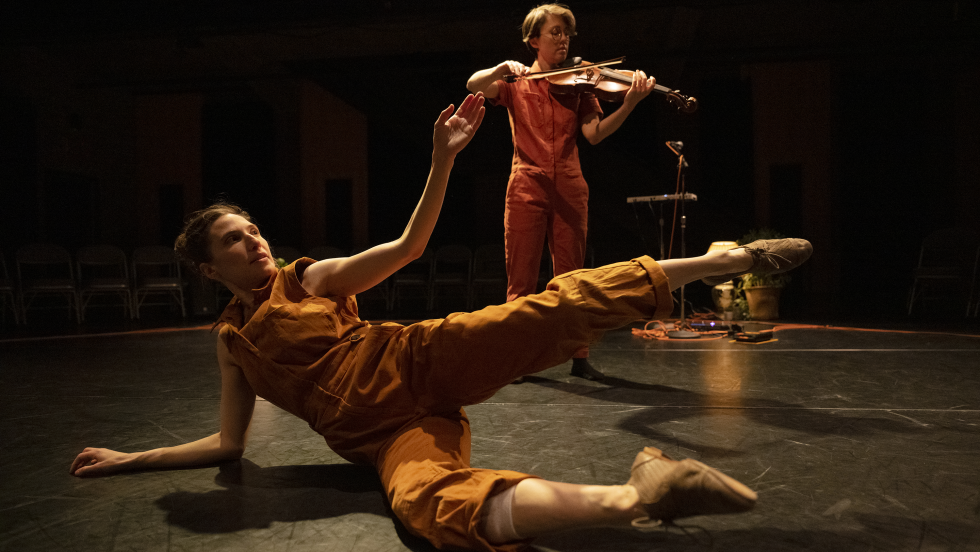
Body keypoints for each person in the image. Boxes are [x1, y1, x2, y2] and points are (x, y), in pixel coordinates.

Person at [70, 92, 813, 552]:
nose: (254, 241)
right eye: (235, 240)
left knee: (549, 308)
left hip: (414, 362)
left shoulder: (311, 279)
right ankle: (641, 497)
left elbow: (409, 246)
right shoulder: (232, 343)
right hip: (385, 437)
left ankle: (725, 260)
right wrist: (130, 460)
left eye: (253, 228)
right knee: (427, 509)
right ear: (208, 269)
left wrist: (442, 158)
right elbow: (229, 445)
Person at [466, 3, 658, 381]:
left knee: (572, 276)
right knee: (520, 279)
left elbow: (595, 134)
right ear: (533, 40)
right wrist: (503, 68)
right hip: (526, 183)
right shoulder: (514, 83)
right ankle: (517, 357)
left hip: (570, 185)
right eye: (555, 32)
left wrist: (632, 103)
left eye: (567, 33)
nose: (564, 40)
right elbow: (474, 84)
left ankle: (579, 355)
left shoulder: (580, 82)